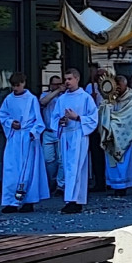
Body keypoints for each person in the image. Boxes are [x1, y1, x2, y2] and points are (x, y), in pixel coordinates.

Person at [50, 69, 99, 214]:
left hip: (78, 134)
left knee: (75, 167)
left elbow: (94, 117)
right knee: (68, 167)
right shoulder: (62, 99)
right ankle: (77, 199)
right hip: (66, 134)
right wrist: (60, 121)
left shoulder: (85, 98)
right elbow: (54, 117)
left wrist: (78, 118)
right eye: (66, 79)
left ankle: (71, 200)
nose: (67, 82)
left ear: (77, 79)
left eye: (70, 79)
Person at [0, 73, 49, 212]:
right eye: (13, 85)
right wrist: (10, 123)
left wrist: (33, 132)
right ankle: (11, 201)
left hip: (28, 137)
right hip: (15, 138)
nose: (16, 88)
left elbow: (39, 121)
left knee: (29, 169)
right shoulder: (8, 99)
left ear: (23, 83)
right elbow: (2, 115)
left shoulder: (31, 99)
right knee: (11, 169)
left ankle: (28, 201)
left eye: (18, 85)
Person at [98, 75, 132, 197]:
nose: (117, 89)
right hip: (111, 134)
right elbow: (103, 112)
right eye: (115, 86)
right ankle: (114, 185)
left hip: (124, 135)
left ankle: (123, 187)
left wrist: (114, 123)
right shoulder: (112, 98)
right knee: (112, 161)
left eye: (119, 86)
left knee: (123, 162)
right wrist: (106, 108)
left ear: (125, 85)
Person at [39, 75, 65, 194]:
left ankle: (60, 185)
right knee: (48, 159)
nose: (57, 86)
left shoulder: (65, 97)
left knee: (61, 159)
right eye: (55, 84)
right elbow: (43, 102)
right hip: (48, 131)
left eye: (60, 84)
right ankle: (51, 181)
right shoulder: (45, 95)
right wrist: (57, 91)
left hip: (60, 131)